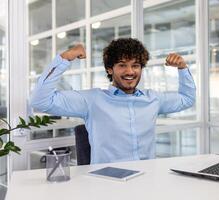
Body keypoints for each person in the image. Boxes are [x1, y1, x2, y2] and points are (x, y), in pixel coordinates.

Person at [31, 38, 196, 164]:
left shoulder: (153, 99)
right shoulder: (92, 100)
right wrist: (65, 58)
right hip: (106, 183)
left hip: (147, 178)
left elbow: (187, 99)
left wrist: (182, 68)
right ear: (110, 69)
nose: (130, 71)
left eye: (136, 65)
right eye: (122, 65)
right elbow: (40, 101)